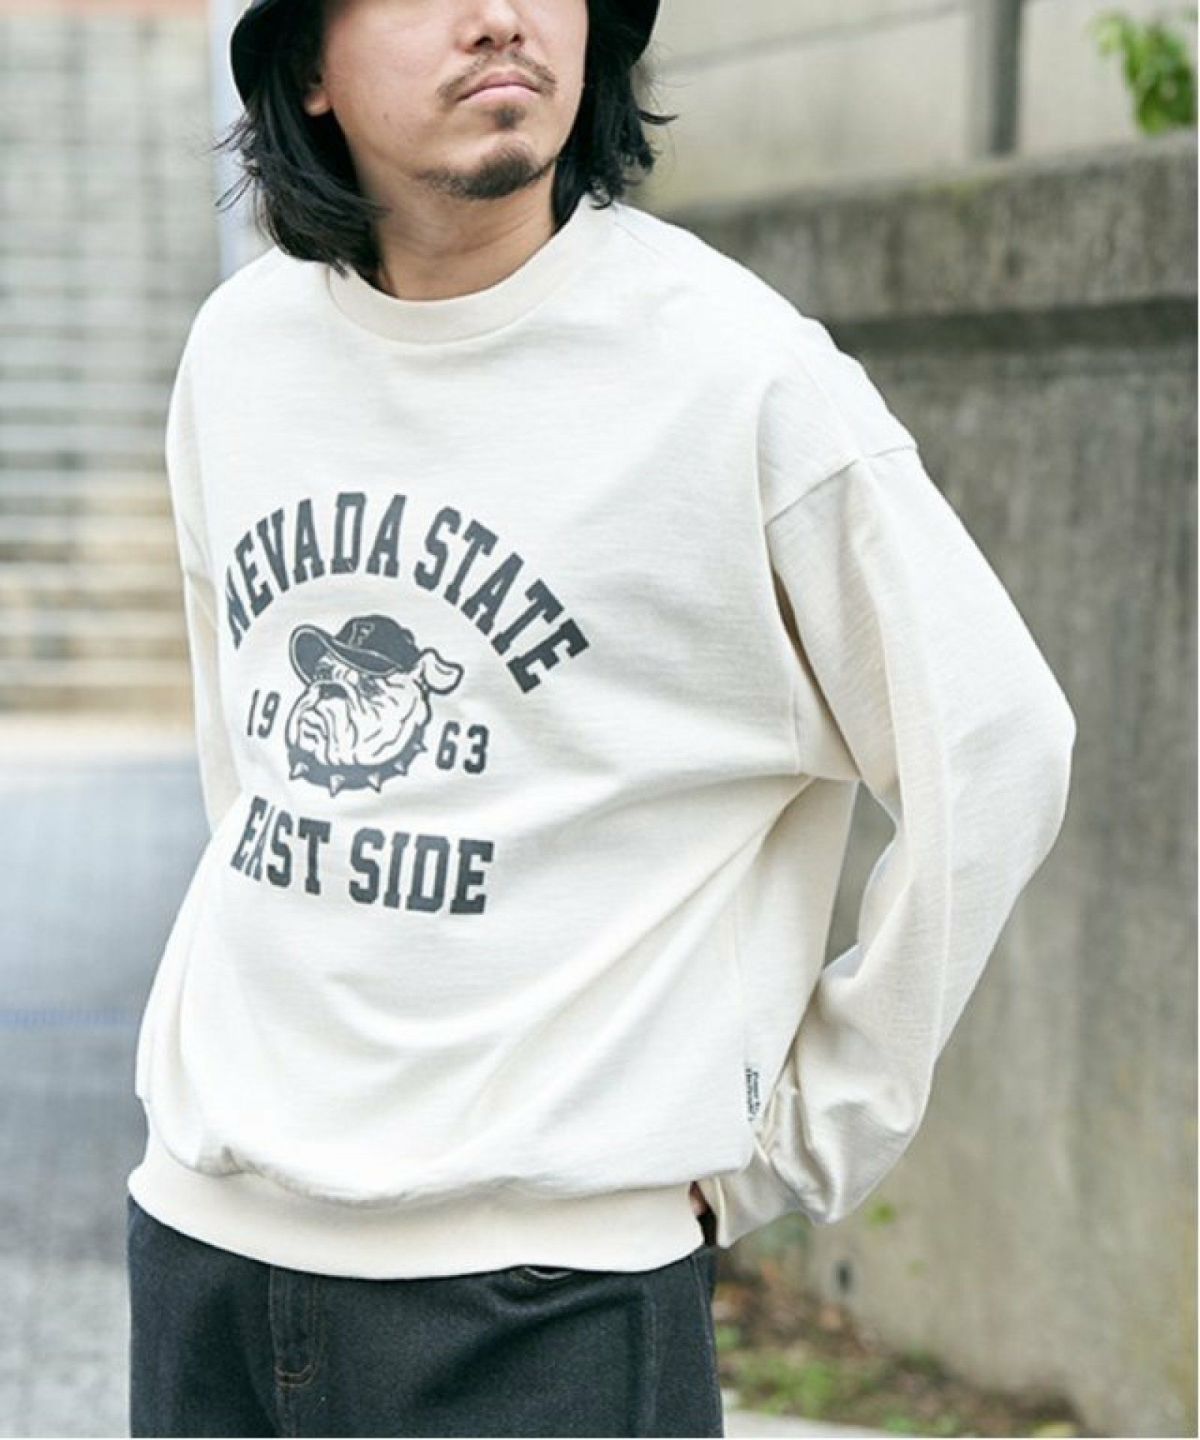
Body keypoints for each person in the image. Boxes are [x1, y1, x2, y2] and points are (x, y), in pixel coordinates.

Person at [123, 0, 1078, 1435]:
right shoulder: (241, 350)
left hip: (550, 1294)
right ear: (308, 62)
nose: (502, 19)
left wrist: (805, 1134)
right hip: (210, 1245)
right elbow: (247, 756)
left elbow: (997, 746)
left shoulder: (733, 369)